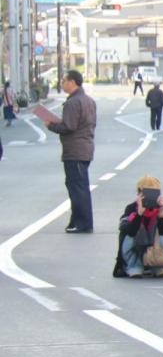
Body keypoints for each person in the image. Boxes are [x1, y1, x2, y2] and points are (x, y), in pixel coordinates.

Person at [45, 71, 97, 234]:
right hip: (85, 147)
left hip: (75, 150)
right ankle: (78, 220)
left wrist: (51, 125)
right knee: (79, 186)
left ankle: (82, 223)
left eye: (64, 80)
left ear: (72, 82)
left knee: (77, 187)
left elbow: (69, 126)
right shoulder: (89, 100)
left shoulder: (73, 102)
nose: (62, 83)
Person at [114, 175, 163, 278]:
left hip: (156, 248)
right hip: (137, 245)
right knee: (129, 238)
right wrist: (139, 214)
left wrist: (162, 216)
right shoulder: (131, 208)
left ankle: (159, 266)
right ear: (139, 193)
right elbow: (130, 232)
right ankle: (134, 266)